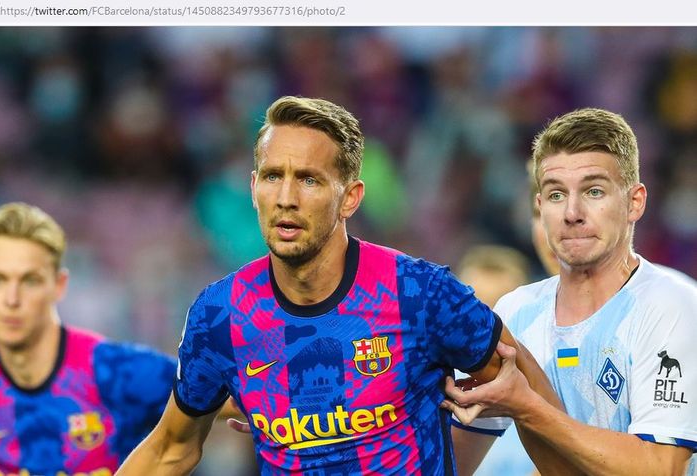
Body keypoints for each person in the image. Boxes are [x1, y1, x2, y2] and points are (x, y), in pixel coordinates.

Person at [117, 95, 565, 475]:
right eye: (273, 176)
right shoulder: (220, 315)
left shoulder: (421, 294)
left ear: (349, 197)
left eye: (309, 180)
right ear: (254, 188)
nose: (286, 198)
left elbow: (539, 407)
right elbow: (171, 447)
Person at [445, 108, 697, 475]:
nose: (572, 212)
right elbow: (451, 464)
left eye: (594, 191)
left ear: (635, 202)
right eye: (556, 194)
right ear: (539, 206)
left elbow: (660, 469)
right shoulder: (516, 312)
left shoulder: (673, 306)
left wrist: (528, 407)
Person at [0, 202, 241, 475]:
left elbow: (244, 398)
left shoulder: (115, 372)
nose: (11, 299)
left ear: (59, 285)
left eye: (30, 281)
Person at [452, 245, 535, 476]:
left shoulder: (543, 385)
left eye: (499, 311)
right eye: (477, 309)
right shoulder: (440, 385)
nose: (487, 329)